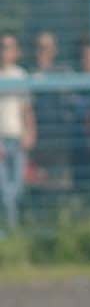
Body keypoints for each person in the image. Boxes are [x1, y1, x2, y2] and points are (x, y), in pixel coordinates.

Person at [0, 34, 35, 234]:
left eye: (8, 47)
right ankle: (12, 231)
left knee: (18, 186)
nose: (4, 51)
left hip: (18, 137)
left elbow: (26, 108)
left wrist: (30, 132)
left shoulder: (20, 75)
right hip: (1, 139)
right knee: (4, 189)